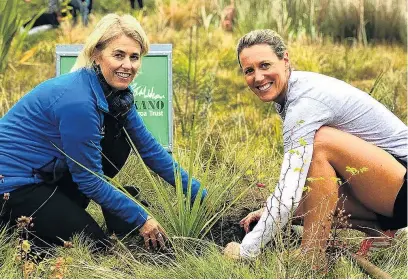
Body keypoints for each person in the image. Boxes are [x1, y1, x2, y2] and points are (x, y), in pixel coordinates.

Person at [0, 13, 206, 252]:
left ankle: (73, 211)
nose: (127, 65)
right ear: (96, 55)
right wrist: (142, 219)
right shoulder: (79, 101)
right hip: (14, 187)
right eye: (118, 55)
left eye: (134, 57)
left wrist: (200, 194)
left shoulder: (116, 96)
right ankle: (17, 228)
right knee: (94, 247)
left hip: (48, 175)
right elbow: (89, 179)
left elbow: (149, 149)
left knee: (117, 139)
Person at [224, 29, 407, 266]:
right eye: (249, 70)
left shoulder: (305, 103)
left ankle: (312, 256)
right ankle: (379, 232)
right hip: (383, 185)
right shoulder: (291, 92)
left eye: (265, 65)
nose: (258, 77)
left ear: (285, 60)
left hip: (401, 184)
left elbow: (288, 193)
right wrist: (268, 210)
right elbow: (295, 190)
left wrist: (246, 251)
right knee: (298, 211)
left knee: (321, 143)